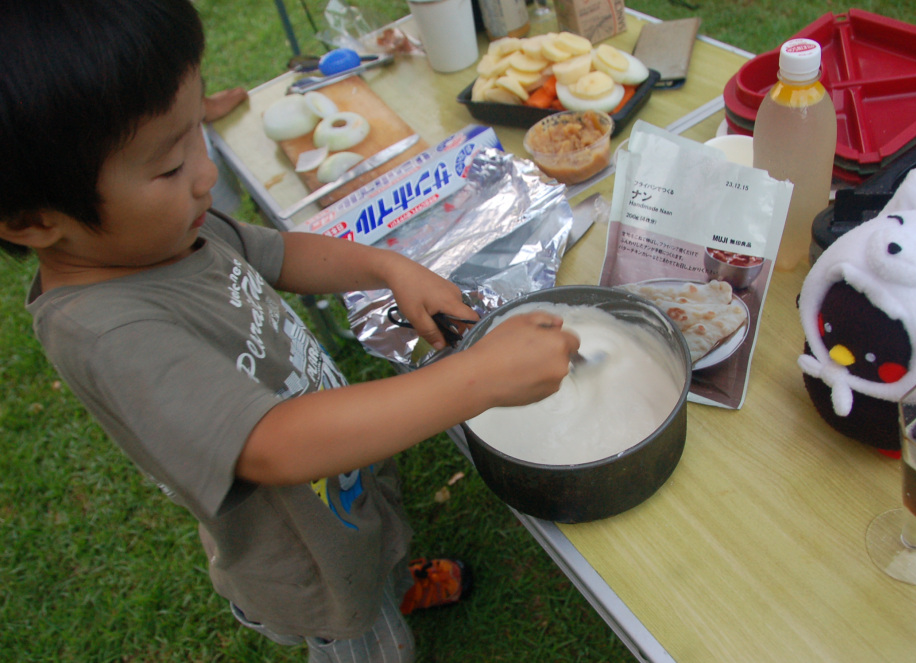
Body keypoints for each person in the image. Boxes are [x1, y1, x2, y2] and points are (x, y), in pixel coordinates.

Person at [0, 2, 579, 662]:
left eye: (196, 133)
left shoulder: (165, 233)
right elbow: (272, 445)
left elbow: (277, 254)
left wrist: (387, 265)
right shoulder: (111, 334)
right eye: (167, 166)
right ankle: (376, 621)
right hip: (303, 557)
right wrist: (476, 376)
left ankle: (395, 578)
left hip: (339, 479)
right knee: (363, 627)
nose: (206, 174)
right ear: (32, 221)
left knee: (375, 546)